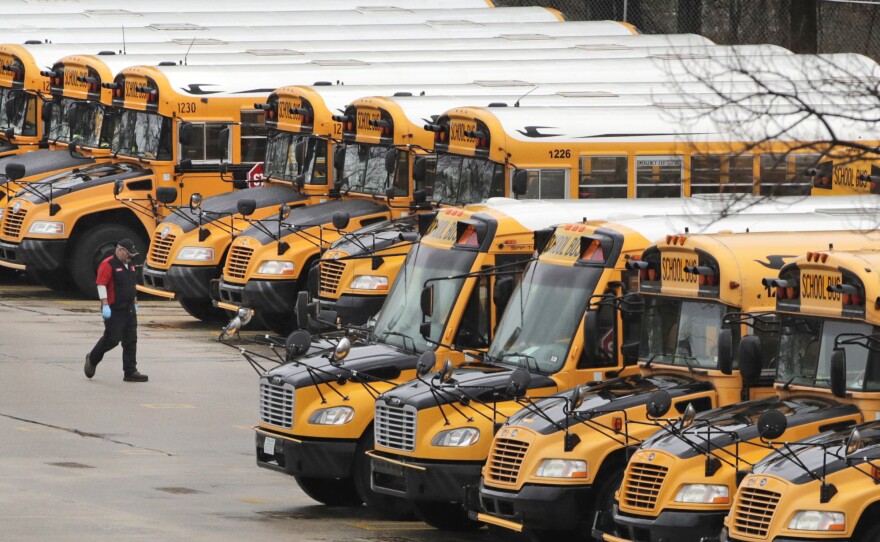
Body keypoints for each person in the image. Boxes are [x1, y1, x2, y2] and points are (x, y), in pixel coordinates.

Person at [84, 238, 148, 382]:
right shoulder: (108, 264)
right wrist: (105, 305)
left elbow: (132, 284)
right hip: (114, 309)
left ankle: (130, 371)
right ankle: (92, 358)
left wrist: (135, 301)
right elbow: (101, 284)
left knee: (131, 340)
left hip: (129, 308)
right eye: (128, 254)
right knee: (112, 339)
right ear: (120, 250)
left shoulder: (129, 264)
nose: (130, 257)